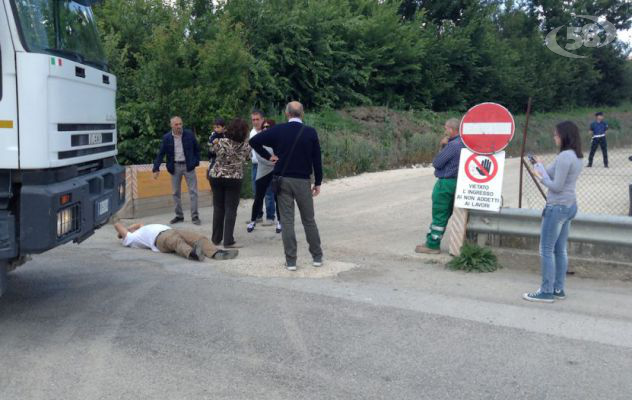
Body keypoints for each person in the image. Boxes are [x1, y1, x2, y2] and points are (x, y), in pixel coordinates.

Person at [250, 101, 323, 271]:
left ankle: (291, 261)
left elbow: (254, 142)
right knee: (309, 220)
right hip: (303, 182)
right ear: (302, 114)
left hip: (282, 180)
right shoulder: (310, 132)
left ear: (287, 113)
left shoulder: (278, 130)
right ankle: (317, 257)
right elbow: (316, 160)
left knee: (287, 222)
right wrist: (318, 182)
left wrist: (269, 157)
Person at [523, 121, 583, 303]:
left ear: (564, 136)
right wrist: (539, 166)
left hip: (557, 207)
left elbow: (555, 185)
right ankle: (558, 288)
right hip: (569, 205)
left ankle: (546, 291)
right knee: (560, 249)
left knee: (546, 250)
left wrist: (540, 179)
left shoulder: (565, 156)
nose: (554, 137)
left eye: (556, 135)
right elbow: (550, 174)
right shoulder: (575, 156)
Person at [415, 118, 465, 255]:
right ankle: (430, 240)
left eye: (446, 128)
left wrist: (443, 146)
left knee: (440, 213)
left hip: (446, 183)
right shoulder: (465, 143)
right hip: (459, 182)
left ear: (450, 129)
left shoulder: (453, 145)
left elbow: (437, 162)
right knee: (446, 213)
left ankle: (432, 245)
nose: (445, 131)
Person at [209, 118, 251, 248]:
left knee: (218, 207)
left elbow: (212, 151)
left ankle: (216, 239)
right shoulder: (245, 146)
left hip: (217, 176)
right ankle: (228, 240)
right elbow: (248, 158)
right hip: (234, 178)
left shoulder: (221, 141)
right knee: (230, 209)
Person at [153, 116, 202, 225]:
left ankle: (195, 217)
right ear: (171, 126)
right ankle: (179, 216)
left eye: (180, 124)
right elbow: (161, 153)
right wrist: (156, 168)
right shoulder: (167, 138)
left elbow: (197, 149)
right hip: (174, 167)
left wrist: (196, 162)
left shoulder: (189, 134)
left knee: (193, 192)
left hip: (188, 166)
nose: (179, 126)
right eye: (176, 124)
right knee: (175, 193)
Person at [114, 222, 238, 261]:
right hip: (159, 239)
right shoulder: (131, 239)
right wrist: (124, 233)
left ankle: (215, 253)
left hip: (171, 229)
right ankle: (194, 254)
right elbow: (117, 224)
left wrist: (128, 229)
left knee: (197, 237)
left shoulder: (138, 230)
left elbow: (139, 223)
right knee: (176, 242)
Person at [247, 119, 282, 234]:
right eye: (264, 127)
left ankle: (279, 222)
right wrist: (273, 160)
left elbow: (280, 154)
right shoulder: (259, 140)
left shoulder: (277, 140)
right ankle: (253, 221)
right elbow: (260, 157)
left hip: (276, 172)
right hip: (262, 172)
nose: (266, 129)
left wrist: (275, 161)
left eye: (268, 127)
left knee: (278, 198)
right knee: (258, 198)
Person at [249, 109, 276, 226]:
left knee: (269, 192)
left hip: (268, 165)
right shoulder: (252, 132)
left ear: (262, 119)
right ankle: (258, 215)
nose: (255, 122)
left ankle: (270, 217)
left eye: (257, 119)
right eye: (253, 120)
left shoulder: (268, 131)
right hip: (255, 165)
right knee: (257, 192)